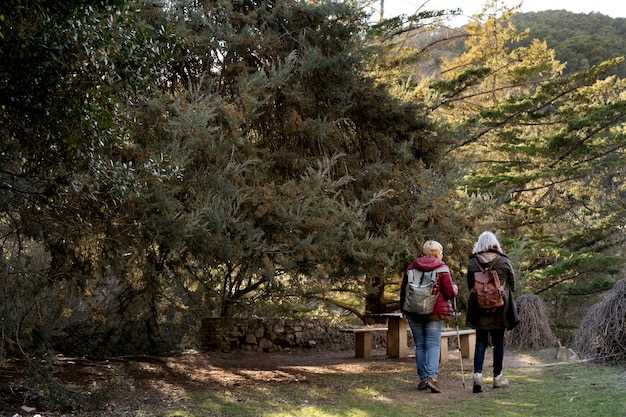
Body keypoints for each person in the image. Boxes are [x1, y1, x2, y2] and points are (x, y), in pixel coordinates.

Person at [400, 240, 458, 393]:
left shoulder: (411, 267)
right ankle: (431, 378)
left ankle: (423, 378)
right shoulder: (442, 268)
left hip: (413, 311)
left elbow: (403, 290)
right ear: (438, 253)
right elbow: (449, 293)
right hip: (435, 312)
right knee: (432, 344)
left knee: (420, 345)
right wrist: (455, 289)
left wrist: (403, 309)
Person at [466, 231, 518, 393]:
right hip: (500, 308)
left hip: (479, 308)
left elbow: (470, 286)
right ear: (495, 243)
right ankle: (497, 377)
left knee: (480, 341)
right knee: (498, 342)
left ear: (479, 244)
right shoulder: (504, 261)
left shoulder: (473, 262)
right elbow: (513, 285)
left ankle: (477, 376)